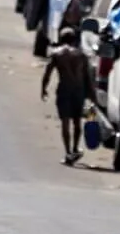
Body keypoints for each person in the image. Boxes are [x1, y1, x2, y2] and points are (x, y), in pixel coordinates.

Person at [41, 27, 95, 165]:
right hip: (79, 91)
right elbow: (87, 77)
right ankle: (76, 148)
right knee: (77, 121)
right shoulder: (81, 55)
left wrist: (44, 89)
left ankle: (67, 152)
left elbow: (47, 73)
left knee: (65, 122)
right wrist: (91, 95)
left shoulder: (56, 54)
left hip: (64, 89)